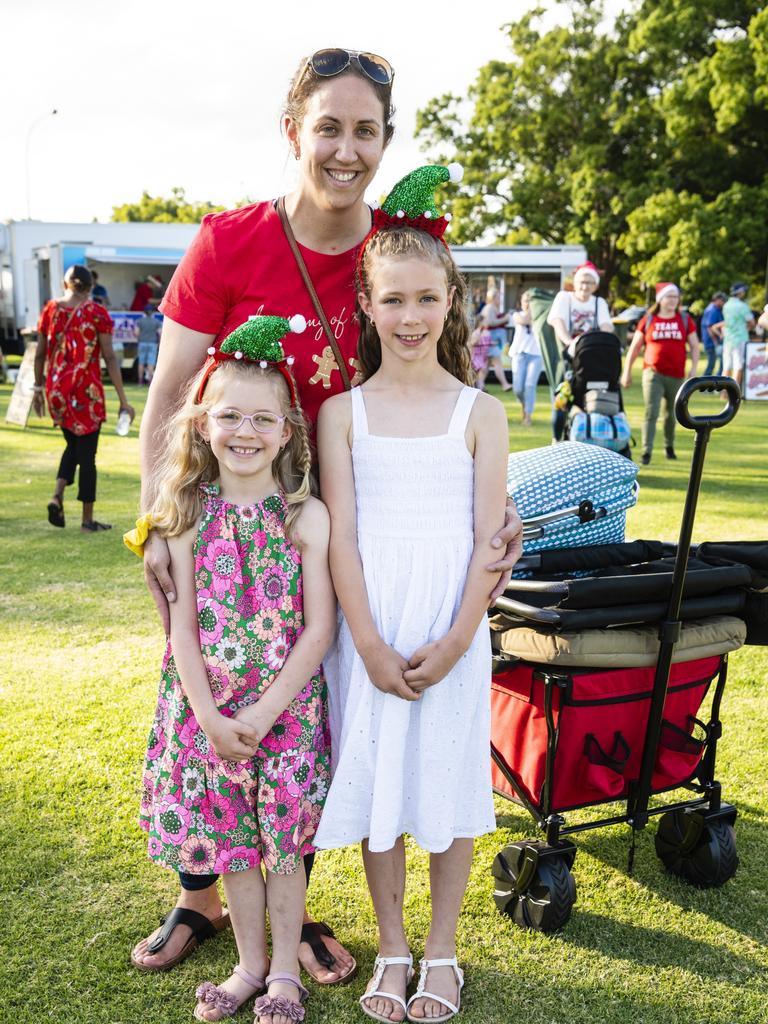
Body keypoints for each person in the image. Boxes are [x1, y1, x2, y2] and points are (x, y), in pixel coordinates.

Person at [130, 48, 522, 981]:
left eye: (367, 131)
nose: (347, 149)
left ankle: (289, 904)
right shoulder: (229, 243)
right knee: (209, 700)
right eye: (329, 127)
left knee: (308, 720)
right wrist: (157, 523)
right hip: (224, 526)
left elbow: (449, 378)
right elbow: (171, 391)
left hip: (346, 536)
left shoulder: (400, 253)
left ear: (386, 141)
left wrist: (489, 512)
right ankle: (200, 896)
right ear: (293, 129)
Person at [315, 166, 509, 1024]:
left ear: (451, 300)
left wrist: (462, 638)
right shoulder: (341, 412)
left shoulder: (480, 410)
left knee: (444, 778)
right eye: (392, 300)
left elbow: (487, 541)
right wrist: (367, 643)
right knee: (381, 783)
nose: (410, 318)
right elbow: (344, 538)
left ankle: (441, 950)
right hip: (374, 627)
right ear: (367, 305)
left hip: (451, 626)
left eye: (426, 299)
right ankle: (390, 947)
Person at [137, 315, 334, 1023]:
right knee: (236, 847)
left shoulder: (306, 518)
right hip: (209, 715)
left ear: (288, 431)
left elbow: (320, 630)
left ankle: (285, 972)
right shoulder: (186, 517)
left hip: (284, 716)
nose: (244, 432)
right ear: (201, 424)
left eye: (262, 418)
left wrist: (261, 714)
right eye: (229, 416)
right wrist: (214, 720)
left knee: (282, 848)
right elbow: (181, 632)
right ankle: (249, 964)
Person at [31, 264, 134, 531]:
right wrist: (123, 400)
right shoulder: (96, 312)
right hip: (86, 393)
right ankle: (87, 520)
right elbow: (110, 357)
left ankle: (57, 495)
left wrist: (38, 388)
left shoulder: (50, 309)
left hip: (57, 391)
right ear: (89, 288)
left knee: (73, 447)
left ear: (66, 284)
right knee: (87, 456)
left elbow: (40, 353)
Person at [620, 282, 699, 465]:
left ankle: (669, 446)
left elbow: (694, 346)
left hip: (677, 374)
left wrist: (693, 369)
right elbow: (635, 347)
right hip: (652, 373)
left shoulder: (685, 320)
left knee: (672, 414)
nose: (672, 300)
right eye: (668, 296)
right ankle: (646, 452)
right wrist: (627, 372)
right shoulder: (649, 319)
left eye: (675, 297)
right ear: (660, 299)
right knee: (651, 412)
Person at [546, 261, 613, 441]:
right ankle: (556, 440)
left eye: (589, 283)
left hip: (591, 360)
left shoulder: (599, 303)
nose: (585, 286)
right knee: (562, 400)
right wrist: (570, 342)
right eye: (582, 282)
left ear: (595, 286)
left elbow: (607, 327)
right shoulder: (564, 298)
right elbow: (557, 322)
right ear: (575, 283)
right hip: (567, 359)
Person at [509, 290, 542, 425]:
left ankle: (528, 415)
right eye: (525, 301)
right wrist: (533, 309)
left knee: (529, 385)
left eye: (530, 301)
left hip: (536, 355)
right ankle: (524, 405)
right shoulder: (517, 315)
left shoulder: (540, 318)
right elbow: (524, 320)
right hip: (519, 354)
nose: (527, 304)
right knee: (518, 388)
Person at [721, 283, 755, 393]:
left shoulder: (726, 305)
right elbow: (752, 322)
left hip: (728, 339)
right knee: (738, 366)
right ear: (739, 292)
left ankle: (723, 394)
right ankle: (733, 393)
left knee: (726, 366)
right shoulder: (742, 306)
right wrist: (748, 328)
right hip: (740, 339)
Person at [479, 287, 512, 392]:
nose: (500, 300)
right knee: (497, 362)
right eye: (498, 297)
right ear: (493, 298)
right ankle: (505, 384)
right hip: (491, 340)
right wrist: (505, 319)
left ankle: (480, 385)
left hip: (489, 339)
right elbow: (490, 322)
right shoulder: (490, 308)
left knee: (486, 364)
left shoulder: (490, 307)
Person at [700, 291, 726, 376]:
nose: (723, 303)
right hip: (711, 342)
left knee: (716, 363)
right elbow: (710, 328)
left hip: (712, 342)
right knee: (712, 364)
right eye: (722, 300)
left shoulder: (715, 309)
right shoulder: (712, 310)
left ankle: (713, 382)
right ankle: (704, 384)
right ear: (717, 300)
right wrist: (716, 341)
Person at [135, 304, 161, 384]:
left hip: (142, 343)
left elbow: (136, 333)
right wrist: (159, 343)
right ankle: (150, 381)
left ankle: (140, 381)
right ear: (152, 312)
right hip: (153, 343)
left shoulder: (140, 321)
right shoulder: (156, 322)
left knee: (141, 363)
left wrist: (139, 339)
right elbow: (160, 333)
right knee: (151, 363)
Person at [468, 313, 492, 389]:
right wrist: (477, 339)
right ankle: (480, 387)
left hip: (484, 356)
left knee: (481, 372)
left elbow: (488, 343)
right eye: (485, 321)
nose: (487, 323)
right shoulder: (477, 332)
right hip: (476, 355)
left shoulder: (487, 332)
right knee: (479, 371)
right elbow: (472, 343)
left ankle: (479, 386)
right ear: (480, 322)